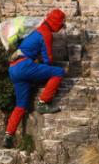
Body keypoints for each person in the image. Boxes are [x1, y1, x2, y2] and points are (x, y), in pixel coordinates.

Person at [4, 8, 66, 149]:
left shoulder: (36, 30)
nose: (62, 26)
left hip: (13, 69)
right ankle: (43, 103)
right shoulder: (46, 33)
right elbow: (48, 59)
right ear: (56, 22)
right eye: (61, 23)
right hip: (24, 66)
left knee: (20, 105)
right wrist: (45, 68)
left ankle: (8, 135)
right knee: (59, 72)